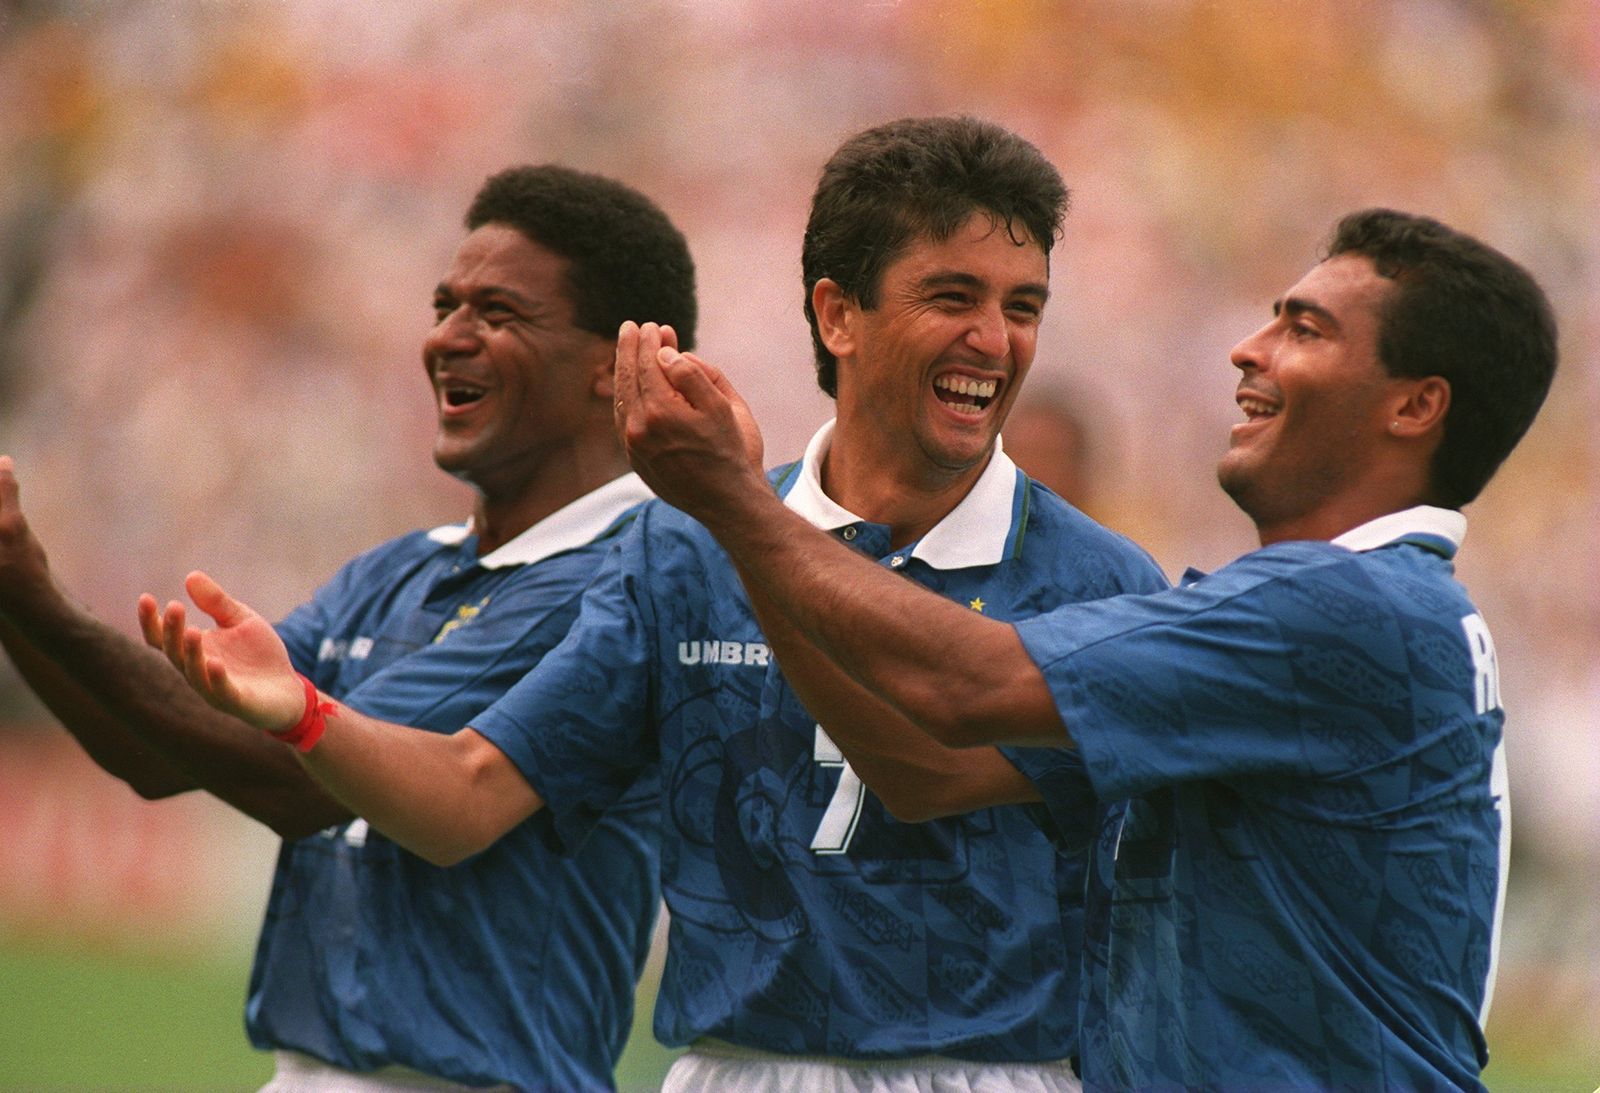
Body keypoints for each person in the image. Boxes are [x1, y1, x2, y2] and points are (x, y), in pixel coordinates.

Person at [143, 116, 1169, 1092]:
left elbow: (942, 785)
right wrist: (306, 713)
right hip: (732, 1068)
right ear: (837, 314)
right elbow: (467, 797)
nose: (994, 339)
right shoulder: (679, 551)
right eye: (952, 297)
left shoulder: (1100, 584)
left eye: (1023, 307)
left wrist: (733, 510)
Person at [604, 208, 1559, 1089]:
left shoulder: (1344, 608)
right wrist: (744, 520)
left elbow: (962, 684)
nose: (1248, 348)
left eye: (1305, 330)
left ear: (1414, 406)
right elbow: (927, 769)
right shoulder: (1360, 608)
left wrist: (739, 505)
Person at [0, 163, 698, 1092]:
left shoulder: (622, 578)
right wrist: (14, 593)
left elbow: (299, 782)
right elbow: (164, 751)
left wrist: (31, 588)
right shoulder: (399, 569)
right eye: (445, 306)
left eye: (498, 313)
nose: (446, 337)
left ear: (616, 363)